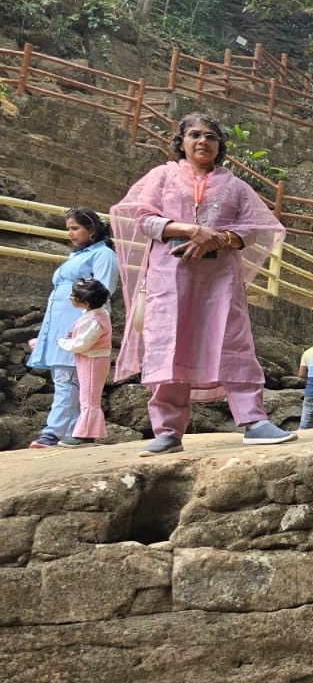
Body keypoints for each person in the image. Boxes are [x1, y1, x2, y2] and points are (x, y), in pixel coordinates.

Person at [111, 111, 296, 455]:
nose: (203, 141)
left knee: (232, 341)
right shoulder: (162, 177)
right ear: (180, 142)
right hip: (169, 278)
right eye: (194, 135)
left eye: (211, 136)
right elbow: (144, 219)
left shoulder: (236, 186)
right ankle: (168, 431)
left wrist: (219, 238)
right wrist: (191, 230)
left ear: (219, 145)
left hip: (221, 280)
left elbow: (252, 229)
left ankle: (254, 421)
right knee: (169, 343)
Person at [26, 207, 119, 449]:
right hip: (59, 324)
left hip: (79, 325)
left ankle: (52, 432)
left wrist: (87, 327)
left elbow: (101, 292)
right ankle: (72, 430)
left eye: (75, 228)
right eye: (68, 229)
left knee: (68, 378)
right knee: (64, 378)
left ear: (92, 229)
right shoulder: (76, 256)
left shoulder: (103, 255)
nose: (70, 233)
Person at [53, 276, 113, 445]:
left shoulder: (94, 320)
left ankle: (84, 435)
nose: (70, 298)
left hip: (92, 361)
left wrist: (63, 342)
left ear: (85, 303)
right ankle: (88, 433)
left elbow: (82, 344)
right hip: (92, 359)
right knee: (88, 397)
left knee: (89, 398)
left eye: (73, 296)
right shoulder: (99, 313)